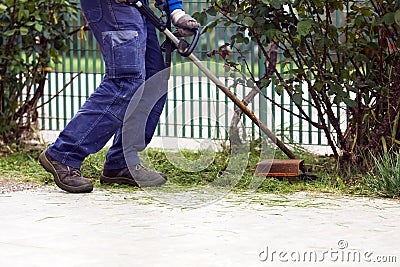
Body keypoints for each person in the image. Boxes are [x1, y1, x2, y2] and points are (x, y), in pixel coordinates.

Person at [39, 0, 200, 193]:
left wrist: (176, 12)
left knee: (154, 80)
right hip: (111, 5)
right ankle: (63, 154)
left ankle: (121, 163)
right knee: (126, 80)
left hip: (137, 5)